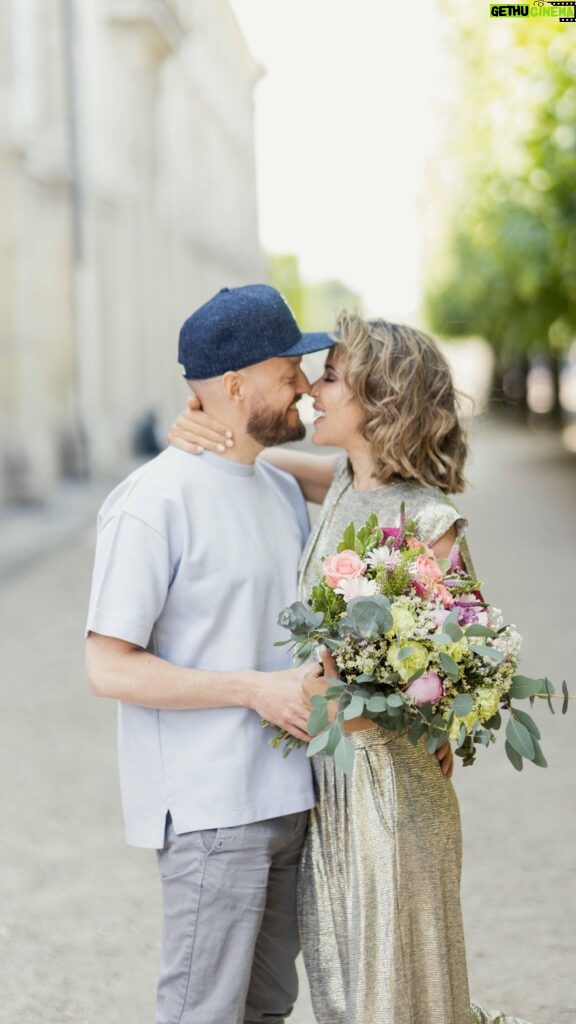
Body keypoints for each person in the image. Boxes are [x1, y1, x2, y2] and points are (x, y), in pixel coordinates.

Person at [169, 311, 533, 1024]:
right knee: (343, 987)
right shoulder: (338, 483)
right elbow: (253, 454)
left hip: (390, 794)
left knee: (389, 993)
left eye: (330, 379)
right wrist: (199, 422)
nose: (311, 390)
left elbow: (472, 674)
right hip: (327, 789)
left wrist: (368, 697)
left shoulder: (429, 523)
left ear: (379, 403)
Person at [85, 283, 335, 1024]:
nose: (304, 384)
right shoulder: (151, 503)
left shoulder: (281, 488)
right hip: (211, 808)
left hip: (294, 798)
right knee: (203, 1011)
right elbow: (107, 666)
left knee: (266, 1010)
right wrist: (255, 690)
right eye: (288, 368)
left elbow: (383, 484)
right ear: (233, 386)